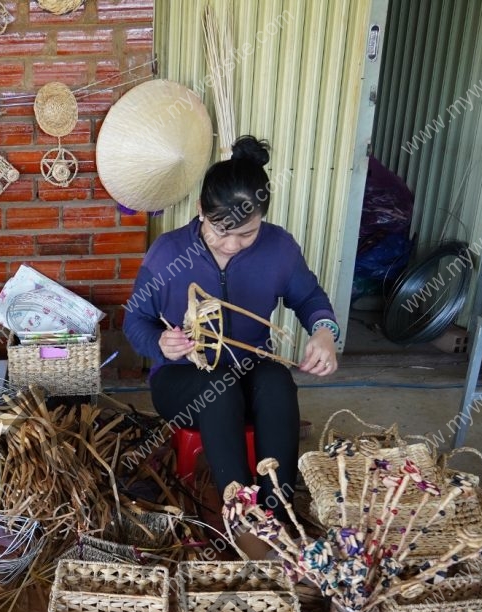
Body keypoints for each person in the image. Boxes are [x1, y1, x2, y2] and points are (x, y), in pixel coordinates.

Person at [123, 136, 339, 553]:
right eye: (221, 231)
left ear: (262, 218)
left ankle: (277, 513)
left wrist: (325, 333)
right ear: (201, 211)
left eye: (247, 233)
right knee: (217, 387)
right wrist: (160, 343)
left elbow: (310, 299)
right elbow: (135, 321)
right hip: (182, 376)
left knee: (277, 380)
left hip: (251, 365)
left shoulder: (279, 248)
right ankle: (239, 517)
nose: (232, 244)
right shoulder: (168, 253)